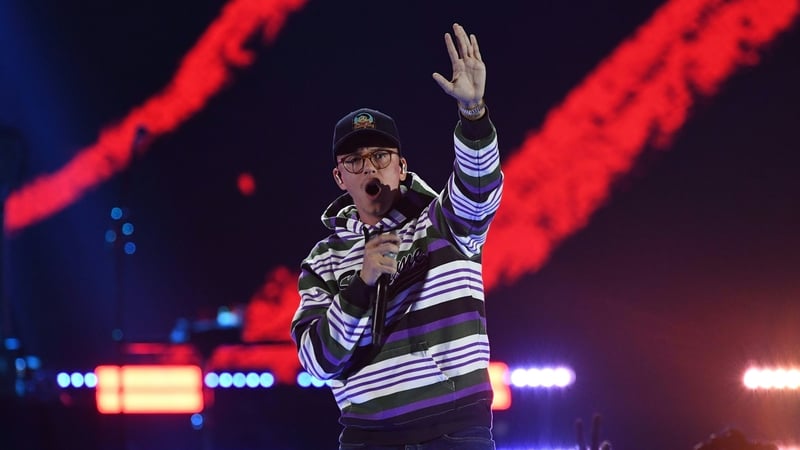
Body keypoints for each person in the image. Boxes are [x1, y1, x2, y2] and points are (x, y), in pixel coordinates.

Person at [290, 23, 503, 450]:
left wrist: (473, 115)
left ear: (401, 167)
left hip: (455, 434)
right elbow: (316, 361)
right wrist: (360, 286)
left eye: (381, 155)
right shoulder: (322, 260)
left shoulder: (443, 220)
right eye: (354, 160)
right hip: (368, 440)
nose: (369, 166)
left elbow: (479, 189)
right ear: (339, 177)